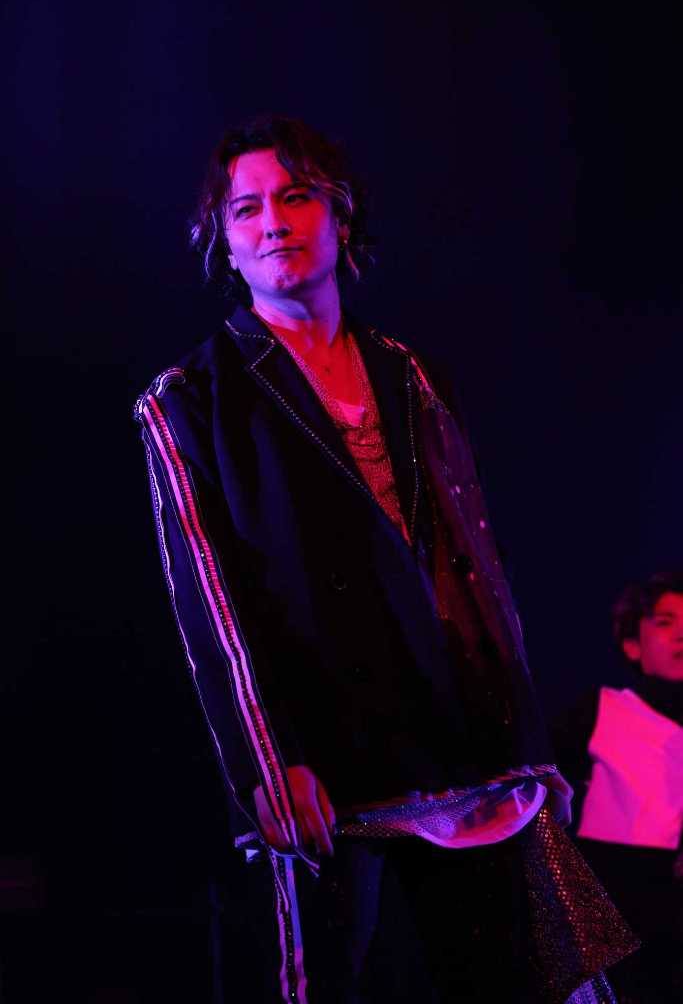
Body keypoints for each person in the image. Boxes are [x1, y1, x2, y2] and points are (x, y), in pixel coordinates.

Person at [134, 116, 634, 1002]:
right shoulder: (189, 399)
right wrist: (266, 763)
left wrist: (528, 742)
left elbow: (481, 566)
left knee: (549, 979)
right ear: (225, 243)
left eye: (295, 197)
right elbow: (211, 603)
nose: (273, 223)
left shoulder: (414, 375)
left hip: (473, 741)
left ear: (340, 216)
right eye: (246, 209)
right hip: (335, 757)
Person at [550, 570, 683, 1003]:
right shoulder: (605, 708)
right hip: (614, 899)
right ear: (632, 645)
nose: (682, 633)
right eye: (665, 622)